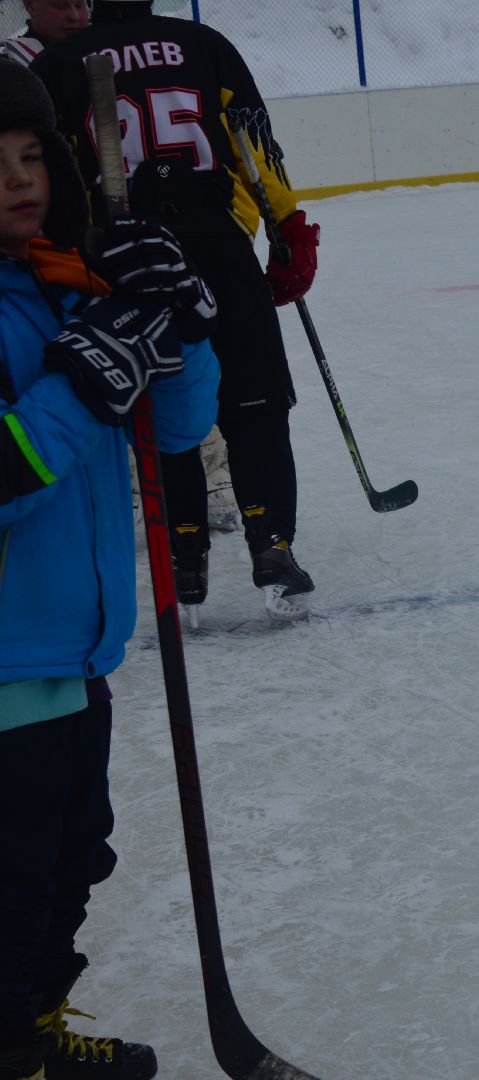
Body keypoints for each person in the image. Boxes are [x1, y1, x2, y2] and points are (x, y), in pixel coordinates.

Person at [0, 63, 218, 1080]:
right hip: (4, 667)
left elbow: (173, 429)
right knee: (7, 889)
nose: (18, 182)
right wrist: (90, 375)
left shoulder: (59, 283)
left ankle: (30, 1036)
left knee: (67, 862)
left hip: (74, 649)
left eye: (32, 156)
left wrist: (174, 319)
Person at [32, 0, 323, 620]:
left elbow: (50, 173)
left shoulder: (58, 61)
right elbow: (252, 144)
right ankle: (272, 545)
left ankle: (182, 553)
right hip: (216, 243)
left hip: (124, 260)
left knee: (162, 404)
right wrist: (287, 223)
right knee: (257, 402)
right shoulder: (203, 43)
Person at [0, 0, 89, 65]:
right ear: (30, 5)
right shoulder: (10, 62)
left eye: (79, 5)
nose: (74, 16)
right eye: (61, 6)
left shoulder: (98, 48)